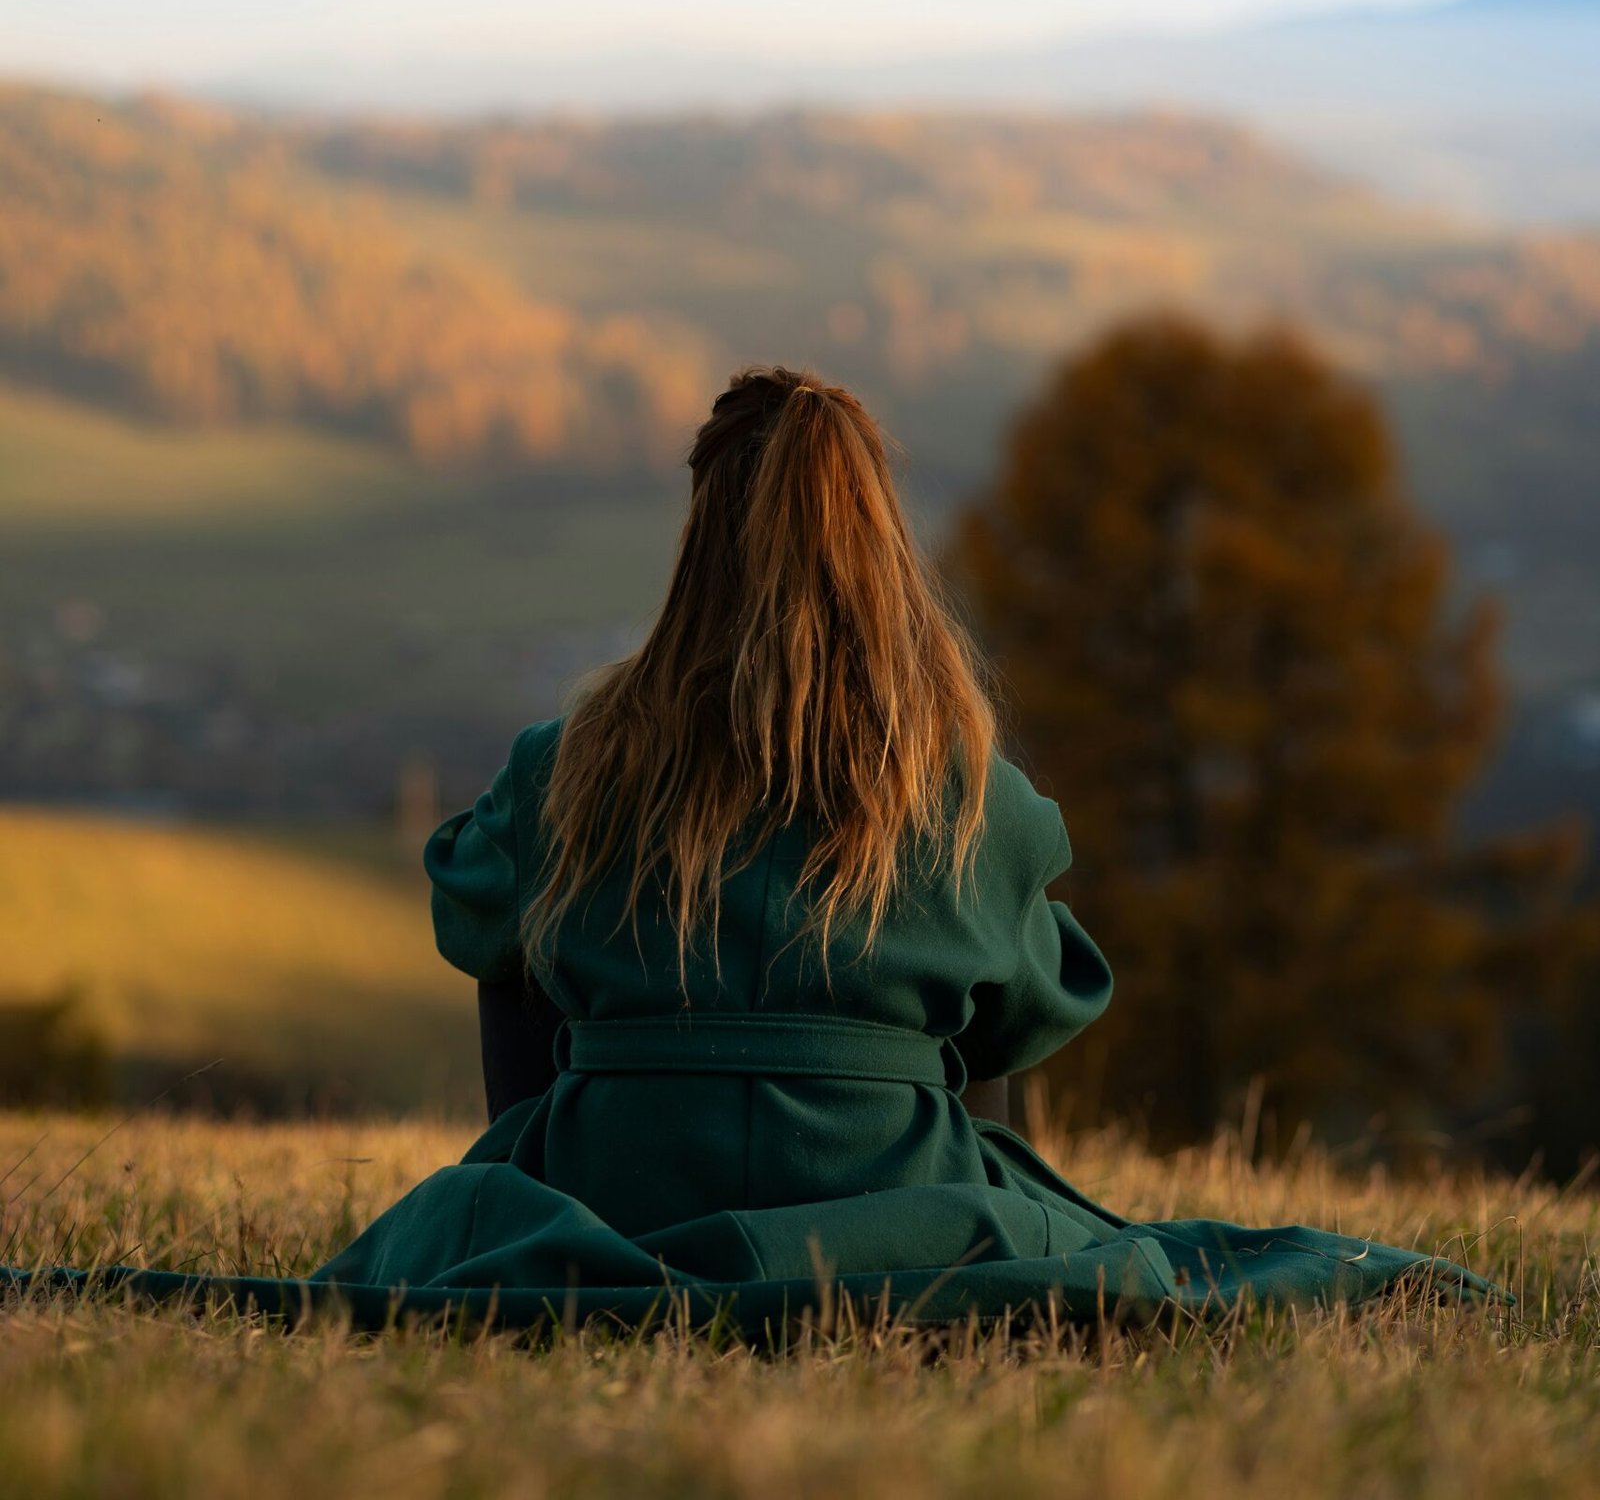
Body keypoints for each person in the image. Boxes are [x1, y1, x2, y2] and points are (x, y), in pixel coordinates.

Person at [3, 366, 1486, 1333]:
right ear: (881, 538)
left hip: (596, 1189)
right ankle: (972, 1226)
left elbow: (477, 918)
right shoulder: (968, 790)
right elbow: (1024, 1013)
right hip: (901, 1194)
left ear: (700, 533)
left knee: (531, 923)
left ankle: (541, 1177)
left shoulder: (577, 761)